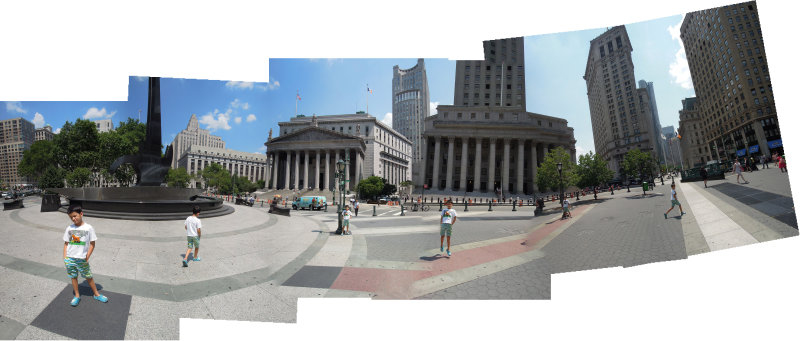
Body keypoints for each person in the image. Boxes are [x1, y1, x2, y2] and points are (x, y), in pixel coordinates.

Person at [63, 204, 108, 307]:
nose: (73, 219)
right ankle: (77, 295)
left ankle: (96, 294)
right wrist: (65, 257)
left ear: (81, 214)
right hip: (70, 258)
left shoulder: (88, 228)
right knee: (73, 277)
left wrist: (87, 256)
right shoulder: (69, 228)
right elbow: (66, 243)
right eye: (71, 217)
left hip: (82, 259)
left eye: (75, 216)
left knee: (88, 276)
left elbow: (92, 244)